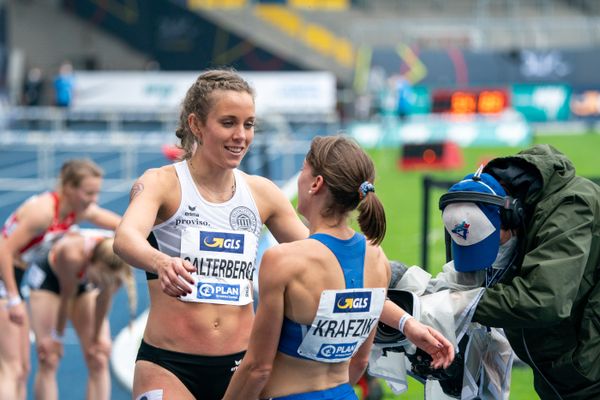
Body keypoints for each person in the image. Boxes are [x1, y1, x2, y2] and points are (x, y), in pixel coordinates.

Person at [112, 68, 308, 400]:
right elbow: (126, 238)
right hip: (168, 366)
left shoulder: (262, 194)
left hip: (242, 368)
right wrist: (161, 262)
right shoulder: (162, 183)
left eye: (249, 124)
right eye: (228, 122)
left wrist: (404, 320)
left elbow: (321, 254)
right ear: (196, 125)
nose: (241, 136)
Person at [222, 135, 453, 400]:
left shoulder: (282, 260)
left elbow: (257, 369)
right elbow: (360, 362)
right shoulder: (376, 258)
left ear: (316, 183)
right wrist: (407, 323)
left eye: (302, 172)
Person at [440, 144, 600, 400]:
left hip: (590, 376)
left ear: (513, 216)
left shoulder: (571, 206)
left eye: (494, 244)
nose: (490, 258)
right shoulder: (505, 208)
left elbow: (544, 299)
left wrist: (460, 304)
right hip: (562, 375)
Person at [0, 158, 121, 400]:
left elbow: (124, 226)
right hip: (5, 278)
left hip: (16, 275)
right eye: (88, 192)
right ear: (68, 188)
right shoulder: (44, 212)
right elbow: (3, 249)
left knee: (22, 370)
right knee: (11, 369)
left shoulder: (77, 210)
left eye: (97, 193)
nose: (94, 199)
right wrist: (13, 298)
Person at [28, 230, 136, 400]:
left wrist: (95, 338)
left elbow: (102, 301)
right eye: (99, 281)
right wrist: (57, 338)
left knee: (99, 356)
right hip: (50, 281)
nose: (100, 285)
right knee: (49, 357)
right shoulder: (72, 255)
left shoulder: (116, 266)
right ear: (92, 263)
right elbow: (66, 298)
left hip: (80, 285)